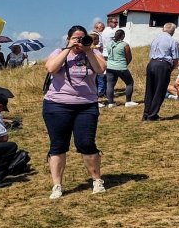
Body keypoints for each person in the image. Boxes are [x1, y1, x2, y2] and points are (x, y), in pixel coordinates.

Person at [43, 25, 107, 199]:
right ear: (68, 39)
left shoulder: (93, 53)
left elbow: (100, 69)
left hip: (86, 105)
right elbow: (50, 68)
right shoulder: (59, 52)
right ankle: (57, 185)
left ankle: (97, 180)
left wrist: (88, 51)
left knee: (86, 143)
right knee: (58, 145)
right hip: (57, 105)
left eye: (82, 38)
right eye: (75, 38)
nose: (79, 41)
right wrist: (68, 49)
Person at [143, 22, 177, 121]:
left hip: (152, 63)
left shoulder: (155, 39)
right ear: (173, 31)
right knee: (160, 90)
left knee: (150, 90)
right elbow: (175, 58)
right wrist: (171, 68)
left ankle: (146, 113)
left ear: (163, 29)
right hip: (163, 64)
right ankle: (152, 115)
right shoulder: (172, 41)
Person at [102, 28, 136, 108]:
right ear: (123, 36)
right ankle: (128, 101)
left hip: (110, 66)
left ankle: (111, 103)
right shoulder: (125, 45)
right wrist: (125, 64)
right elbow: (129, 57)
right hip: (121, 67)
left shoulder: (109, 44)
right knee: (129, 83)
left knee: (110, 85)